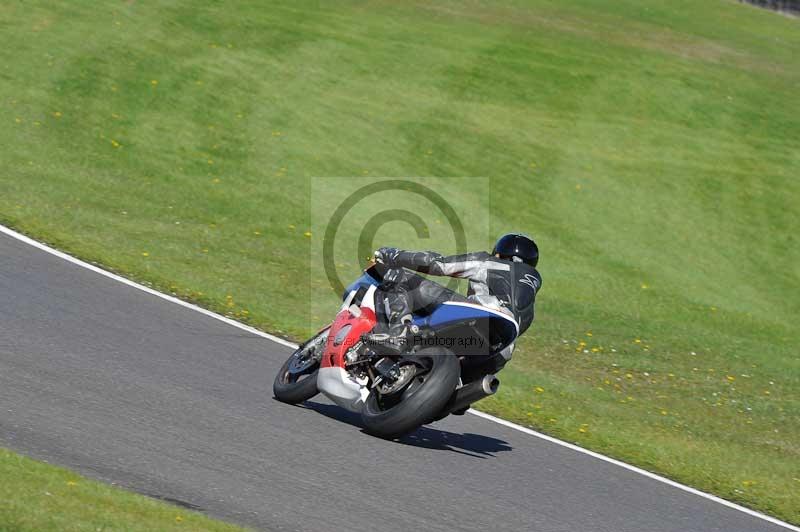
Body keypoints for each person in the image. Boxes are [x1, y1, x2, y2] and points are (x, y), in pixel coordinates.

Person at [368, 233, 542, 373]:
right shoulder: (530, 297)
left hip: (477, 316)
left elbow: (438, 264)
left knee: (398, 278)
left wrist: (393, 255)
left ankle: (397, 335)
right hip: (499, 349)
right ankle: (461, 388)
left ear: (499, 253)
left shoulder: (490, 262)